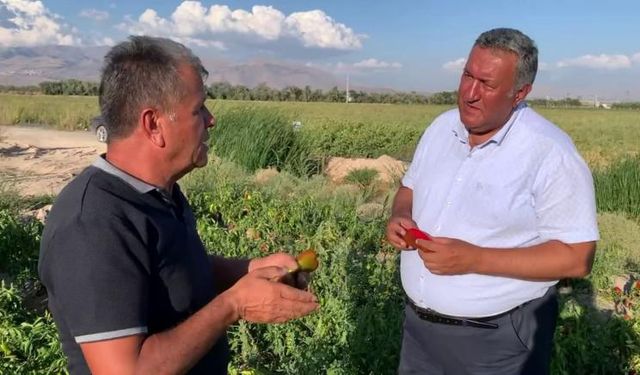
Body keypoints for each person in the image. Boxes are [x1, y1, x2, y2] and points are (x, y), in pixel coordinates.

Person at [38, 36, 319, 375]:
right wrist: (233, 305)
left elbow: (173, 270)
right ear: (153, 124)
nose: (211, 119)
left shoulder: (159, 192)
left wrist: (250, 269)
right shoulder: (94, 224)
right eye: (198, 109)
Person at [386, 28, 598, 374]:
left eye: (487, 84)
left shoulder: (550, 152)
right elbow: (409, 187)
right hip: (419, 333)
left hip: (498, 343)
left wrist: (475, 259)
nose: (469, 93)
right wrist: (400, 214)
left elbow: (577, 258)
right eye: (467, 75)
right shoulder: (441, 128)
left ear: (519, 93)